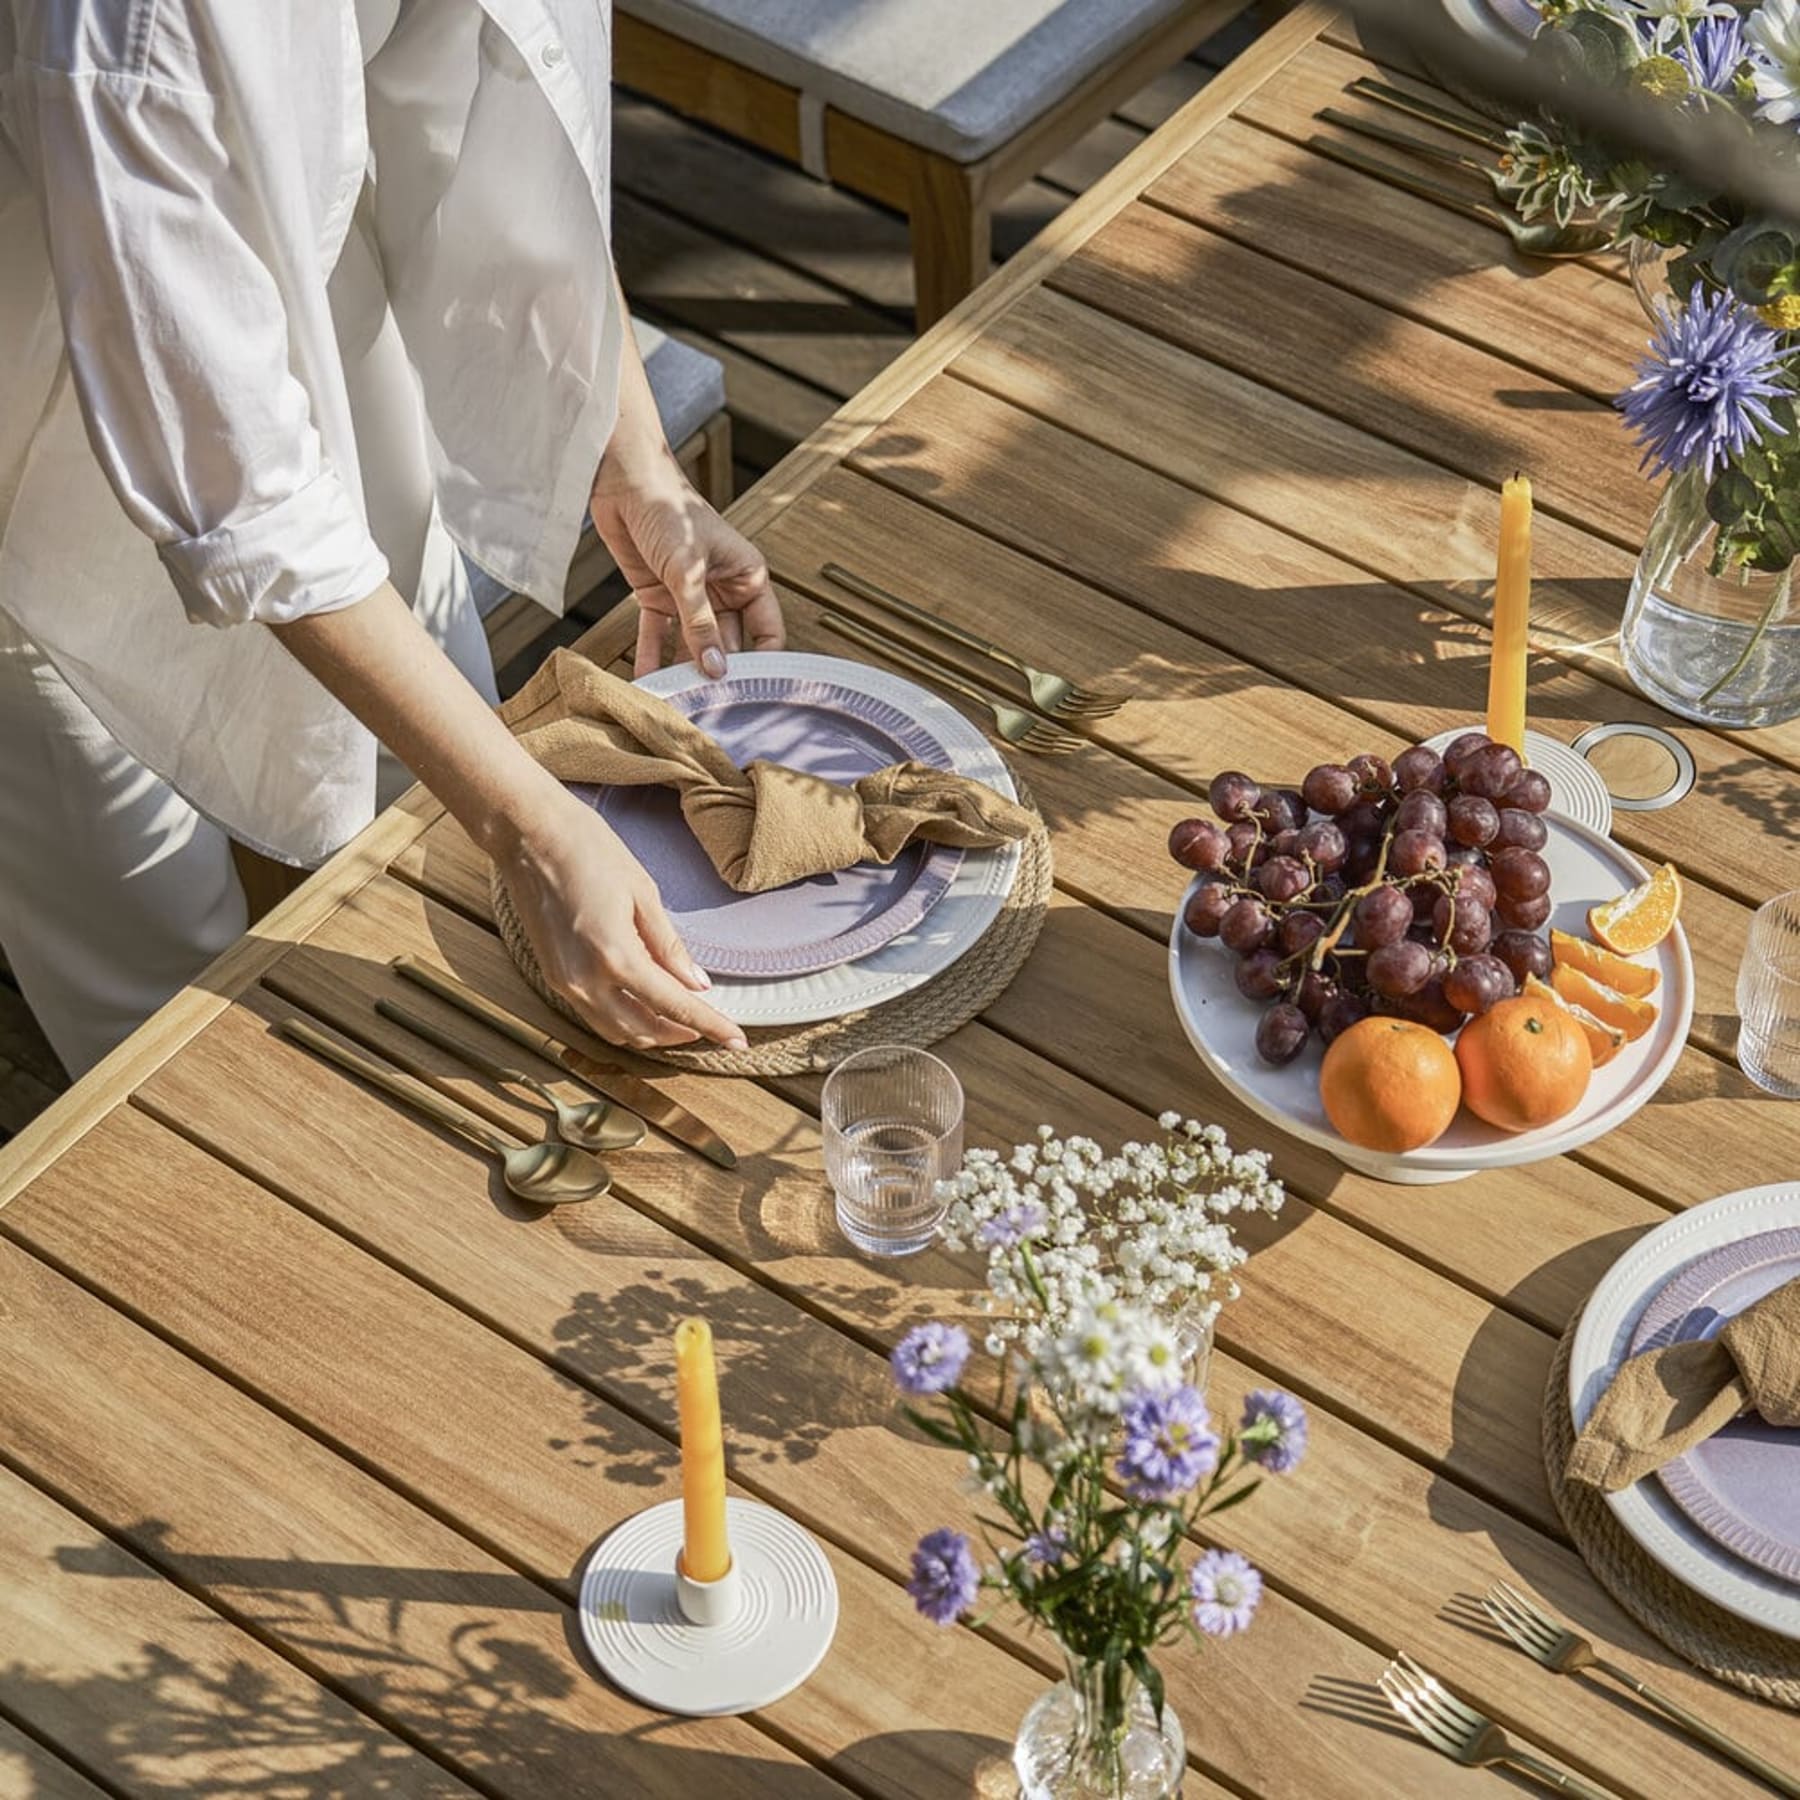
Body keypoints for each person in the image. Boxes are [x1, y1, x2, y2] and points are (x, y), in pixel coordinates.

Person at [0, 0, 781, 1078]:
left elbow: (498, 105)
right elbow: (247, 504)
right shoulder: (119, 26)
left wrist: (635, 458)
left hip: (313, 259)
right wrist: (527, 825)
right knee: (157, 992)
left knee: (433, 825)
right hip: (29, 422)